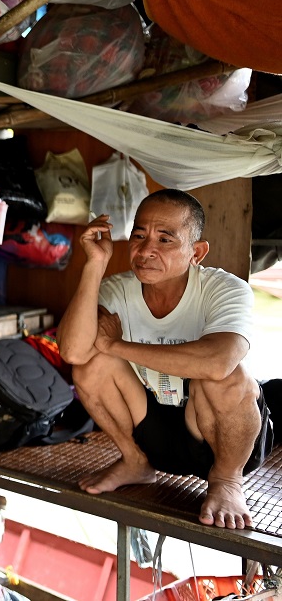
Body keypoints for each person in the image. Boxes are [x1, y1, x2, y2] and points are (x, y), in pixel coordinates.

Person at [57, 189, 273, 530]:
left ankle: (227, 481)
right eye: (139, 236)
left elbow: (218, 362)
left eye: (165, 239)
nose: (146, 251)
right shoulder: (118, 290)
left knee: (227, 376)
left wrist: (117, 346)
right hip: (153, 428)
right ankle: (135, 462)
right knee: (89, 365)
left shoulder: (224, 289)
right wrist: (94, 265)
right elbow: (72, 351)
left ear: (196, 252)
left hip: (221, 436)